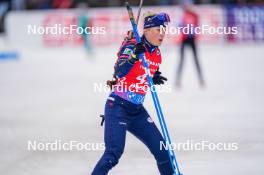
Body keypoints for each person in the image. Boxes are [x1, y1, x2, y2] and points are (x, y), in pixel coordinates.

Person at [91, 12, 174, 175]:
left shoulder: (156, 53)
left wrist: (153, 75)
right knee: (112, 155)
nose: (162, 33)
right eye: (158, 29)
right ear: (147, 30)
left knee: (163, 151)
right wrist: (134, 55)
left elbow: (145, 70)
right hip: (117, 108)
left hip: (136, 110)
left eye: (164, 30)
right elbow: (119, 71)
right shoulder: (132, 45)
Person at [176, 5, 205, 87]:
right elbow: (180, 26)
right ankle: (178, 80)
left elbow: (196, 27)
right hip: (184, 39)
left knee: (196, 60)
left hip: (191, 39)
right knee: (181, 60)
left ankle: (201, 79)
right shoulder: (184, 16)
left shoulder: (194, 16)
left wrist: (192, 33)